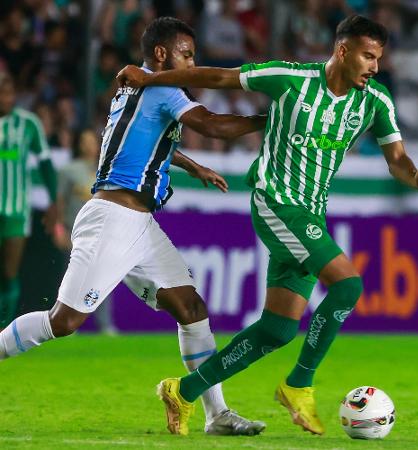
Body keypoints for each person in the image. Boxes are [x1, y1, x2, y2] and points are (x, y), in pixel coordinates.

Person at [116, 14, 418, 436]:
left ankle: (183, 390)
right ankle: (299, 384)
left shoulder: (375, 102)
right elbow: (220, 77)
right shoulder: (288, 78)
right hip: (277, 202)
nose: (374, 66)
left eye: (378, 58)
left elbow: (397, 161)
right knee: (349, 286)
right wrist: (150, 80)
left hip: (311, 213)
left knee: (277, 329)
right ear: (342, 51)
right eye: (367, 56)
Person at [0, 17, 267, 436]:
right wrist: (268, 120)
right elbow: (214, 125)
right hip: (112, 218)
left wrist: (193, 165)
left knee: (191, 308)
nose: (192, 63)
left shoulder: (136, 88)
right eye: (186, 54)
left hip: (139, 223)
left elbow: (148, 141)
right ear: (161, 54)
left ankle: (218, 414)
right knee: (63, 321)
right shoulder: (162, 87)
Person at [0, 72, 58, 329]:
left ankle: (2, 328)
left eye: (9, 91)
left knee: (9, 274)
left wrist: (53, 202)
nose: (5, 97)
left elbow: (45, 163)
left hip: (16, 211)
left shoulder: (28, 124)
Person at [54, 129, 118, 335]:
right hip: (76, 233)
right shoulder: (68, 170)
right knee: (74, 280)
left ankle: (105, 324)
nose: (89, 145)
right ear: (78, 144)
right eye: (84, 141)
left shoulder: (106, 170)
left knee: (103, 278)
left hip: (102, 234)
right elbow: (59, 203)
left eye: (92, 141)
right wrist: (58, 229)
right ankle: (67, 324)